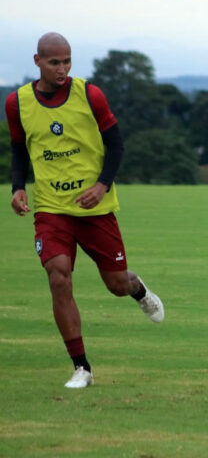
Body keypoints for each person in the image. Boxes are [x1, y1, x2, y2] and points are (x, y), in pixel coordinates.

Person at [6, 32, 165, 388]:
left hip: (95, 210)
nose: (62, 69)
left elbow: (116, 144)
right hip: (51, 208)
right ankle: (82, 368)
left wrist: (101, 185)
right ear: (37, 62)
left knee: (116, 285)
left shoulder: (90, 95)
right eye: (53, 62)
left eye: (66, 61)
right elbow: (19, 149)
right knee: (58, 275)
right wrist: (18, 187)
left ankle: (138, 290)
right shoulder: (17, 103)